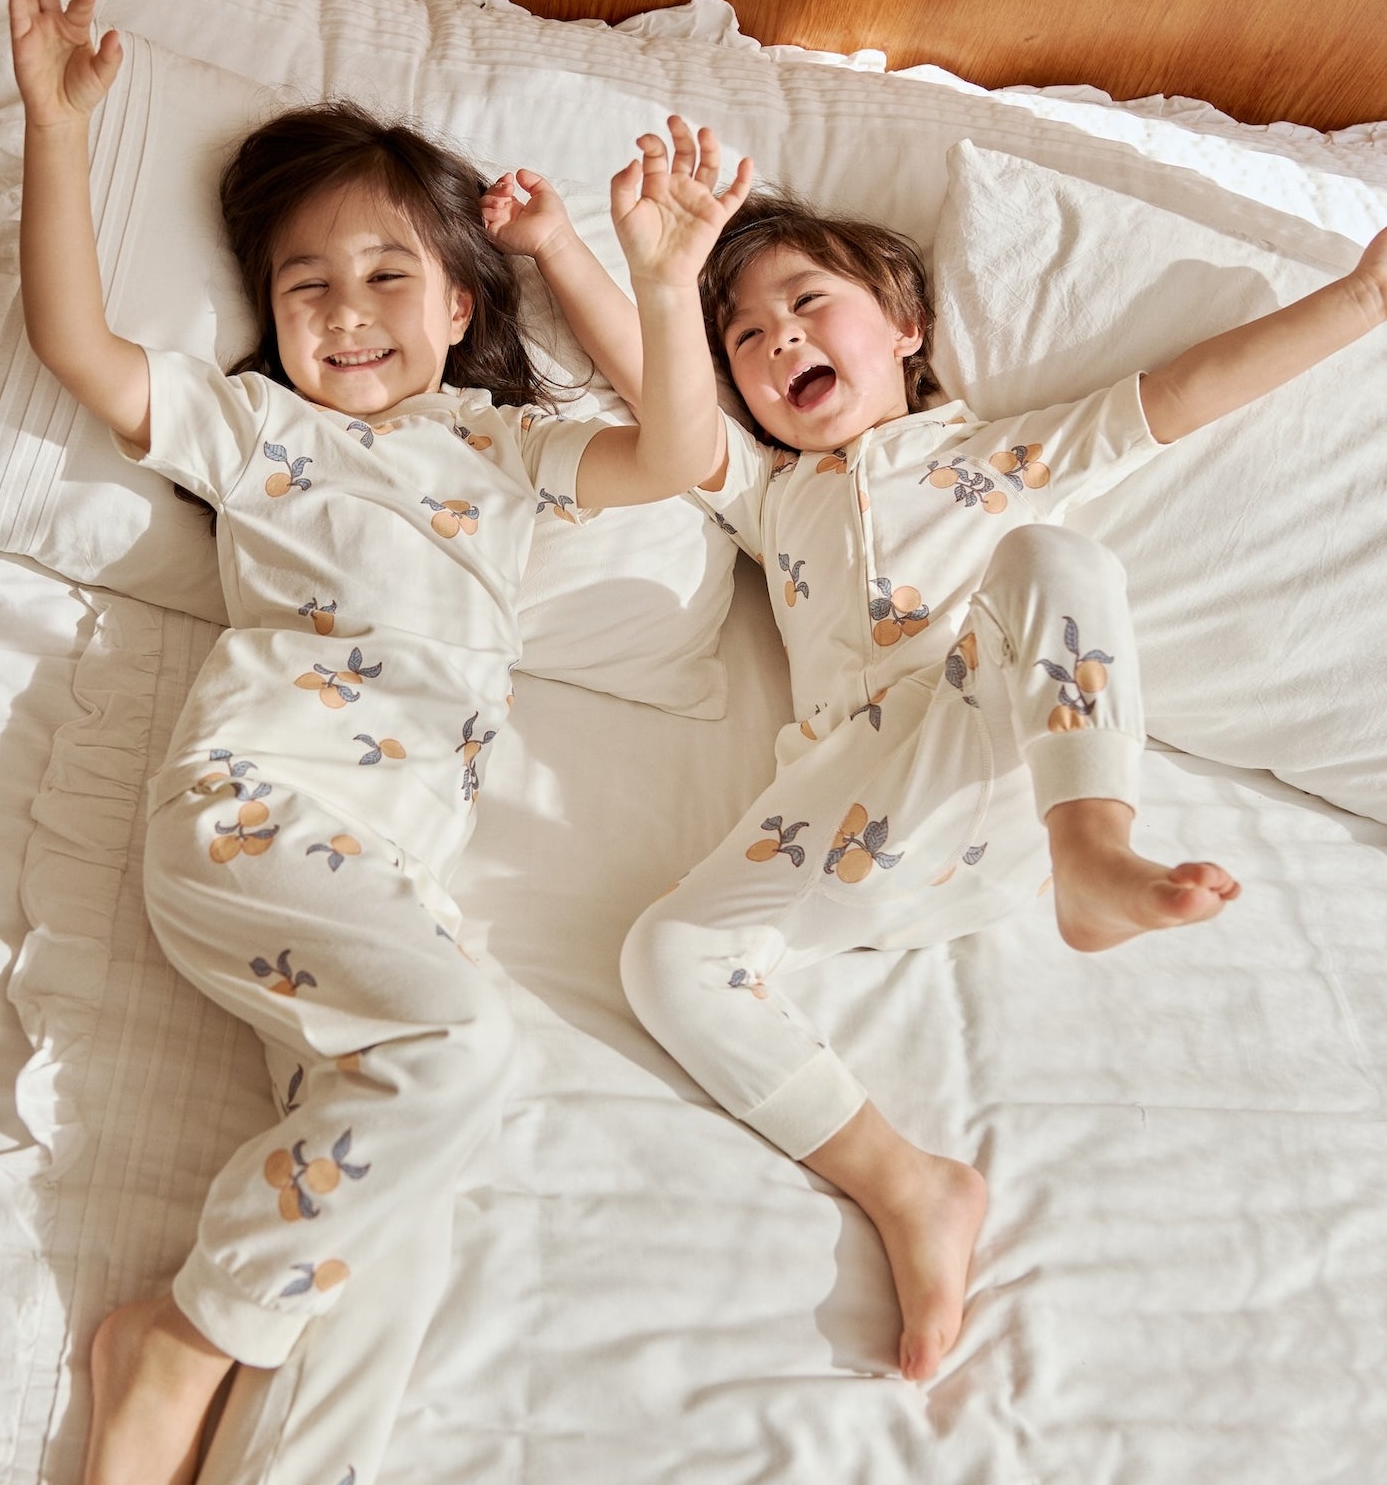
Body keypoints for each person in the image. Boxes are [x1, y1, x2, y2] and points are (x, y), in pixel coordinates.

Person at [5, 0, 751, 1485]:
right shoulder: (259, 436)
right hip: (254, 822)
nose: (346, 307)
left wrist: (650, 276)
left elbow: (681, 450)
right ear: (268, 312)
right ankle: (175, 1332)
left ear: (460, 298)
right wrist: (53, 131)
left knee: (391, 1248)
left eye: (389, 273)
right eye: (303, 279)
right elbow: (85, 356)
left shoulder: (502, 454)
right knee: (470, 1066)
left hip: (386, 888)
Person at [484, 141, 1387, 1386]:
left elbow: (1179, 394)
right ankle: (909, 1184)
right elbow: (660, 380)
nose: (775, 338)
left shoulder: (1004, 456)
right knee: (664, 954)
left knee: (1051, 560)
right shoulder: (766, 491)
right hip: (852, 828)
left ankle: (1097, 854)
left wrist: (1361, 299)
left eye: (808, 303)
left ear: (904, 324)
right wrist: (559, 249)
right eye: (746, 336)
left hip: (1003, 784)